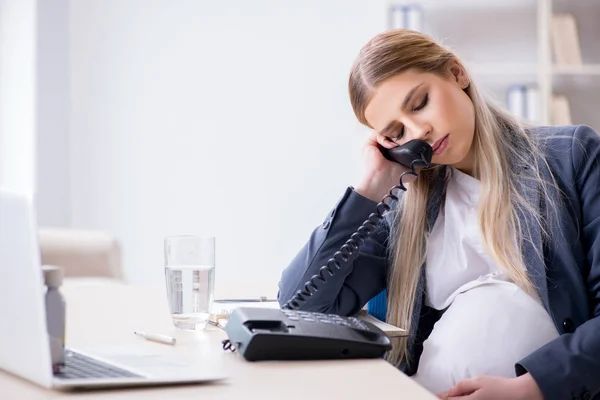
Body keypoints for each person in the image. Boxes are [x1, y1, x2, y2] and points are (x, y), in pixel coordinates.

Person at [277, 29, 600, 400]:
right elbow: (301, 306)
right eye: (397, 132)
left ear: (456, 73)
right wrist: (367, 191)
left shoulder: (570, 157)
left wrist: (534, 387)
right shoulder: (407, 208)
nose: (420, 131)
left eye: (419, 103)